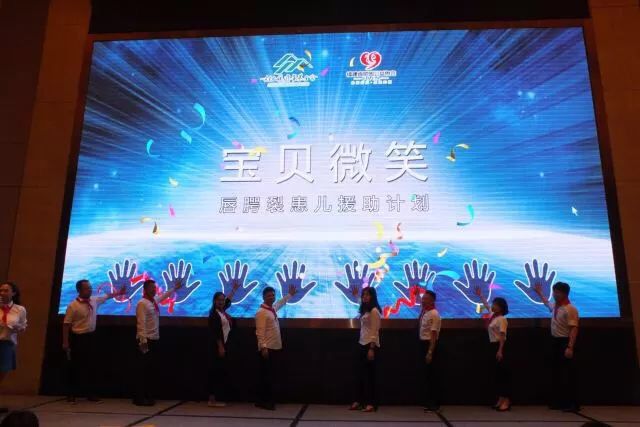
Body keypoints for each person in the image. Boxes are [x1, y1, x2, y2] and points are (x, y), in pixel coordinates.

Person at [62, 279, 125, 403]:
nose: (90, 290)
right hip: (78, 338)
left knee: (91, 367)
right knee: (76, 367)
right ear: (79, 290)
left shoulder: (94, 300)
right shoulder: (73, 305)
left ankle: (90, 393)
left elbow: (106, 296)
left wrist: (119, 293)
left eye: (90, 287)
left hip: (91, 337)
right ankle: (71, 394)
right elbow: (66, 324)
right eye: (87, 288)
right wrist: (65, 342)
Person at [133, 279, 182, 406]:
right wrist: (143, 342)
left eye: (155, 288)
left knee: (150, 369)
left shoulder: (152, 301)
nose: (154, 290)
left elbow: (162, 296)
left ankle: (148, 395)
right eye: (151, 288)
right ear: (145, 289)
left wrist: (174, 288)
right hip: (146, 340)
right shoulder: (142, 303)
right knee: (143, 370)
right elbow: (141, 324)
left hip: (154, 339)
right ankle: (139, 398)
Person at [535, 281, 580, 412]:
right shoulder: (556, 306)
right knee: (557, 373)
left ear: (565, 294)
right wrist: (539, 292)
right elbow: (546, 303)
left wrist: (570, 347)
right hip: (555, 342)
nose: (554, 294)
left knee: (568, 374)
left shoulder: (570, 309)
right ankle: (560, 402)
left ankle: (573, 404)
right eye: (554, 292)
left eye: (557, 292)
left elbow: (574, 328)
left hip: (565, 342)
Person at [255, 284, 297, 410]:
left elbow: (279, 303)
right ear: (263, 297)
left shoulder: (271, 309)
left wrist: (290, 295)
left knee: (270, 376)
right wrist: (263, 347)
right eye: (269, 295)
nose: (271, 297)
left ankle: (264, 400)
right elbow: (260, 332)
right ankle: (266, 401)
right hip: (268, 349)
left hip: (275, 347)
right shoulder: (261, 312)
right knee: (267, 377)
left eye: (273, 295)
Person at [476, 287, 511, 411]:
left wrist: (500, 350)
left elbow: (502, 336)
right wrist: (480, 295)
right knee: (497, 375)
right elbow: (486, 305)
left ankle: (506, 400)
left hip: (499, 347)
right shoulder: (494, 317)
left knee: (502, 375)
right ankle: (500, 399)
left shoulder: (502, 319)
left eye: (495, 305)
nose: (493, 306)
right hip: (492, 346)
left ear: (501, 307)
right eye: (493, 304)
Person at [207, 281, 240, 407]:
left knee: (221, 372)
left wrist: (234, 290)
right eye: (219, 300)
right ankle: (212, 399)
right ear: (214, 301)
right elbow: (215, 333)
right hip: (216, 347)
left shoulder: (222, 312)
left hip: (224, 346)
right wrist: (220, 347)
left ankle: (218, 397)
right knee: (215, 371)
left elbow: (228, 302)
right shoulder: (214, 315)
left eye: (222, 300)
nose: (221, 302)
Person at [350, 286, 381, 413]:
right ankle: (359, 401)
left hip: (370, 345)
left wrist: (371, 348)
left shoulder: (374, 311)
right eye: (363, 295)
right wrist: (356, 296)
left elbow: (375, 330)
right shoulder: (365, 310)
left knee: (369, 376)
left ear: (372, 296)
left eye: (367, 295)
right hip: (362, 343)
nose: (365, 297)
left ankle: (371, 403)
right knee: (360, 375)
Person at [0, 282, 27, 414]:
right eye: (1, 290)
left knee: (2, 374)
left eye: (6, 290)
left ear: (13, 293)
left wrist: (17, 328)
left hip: (7, 344)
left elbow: (23, 326)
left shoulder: (19, 309)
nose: (2, 293)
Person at [418, 290, 441, 412]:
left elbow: (433, 334)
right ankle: (428, 402)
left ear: (432, 301)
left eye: (426, 299)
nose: (423, 300)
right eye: (423, 298)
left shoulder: (434, 314)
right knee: (426, 375)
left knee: (432, 376)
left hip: (429, 345)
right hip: (422, 344)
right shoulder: (425, 312)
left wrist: (430, 352)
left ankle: (434, 404)